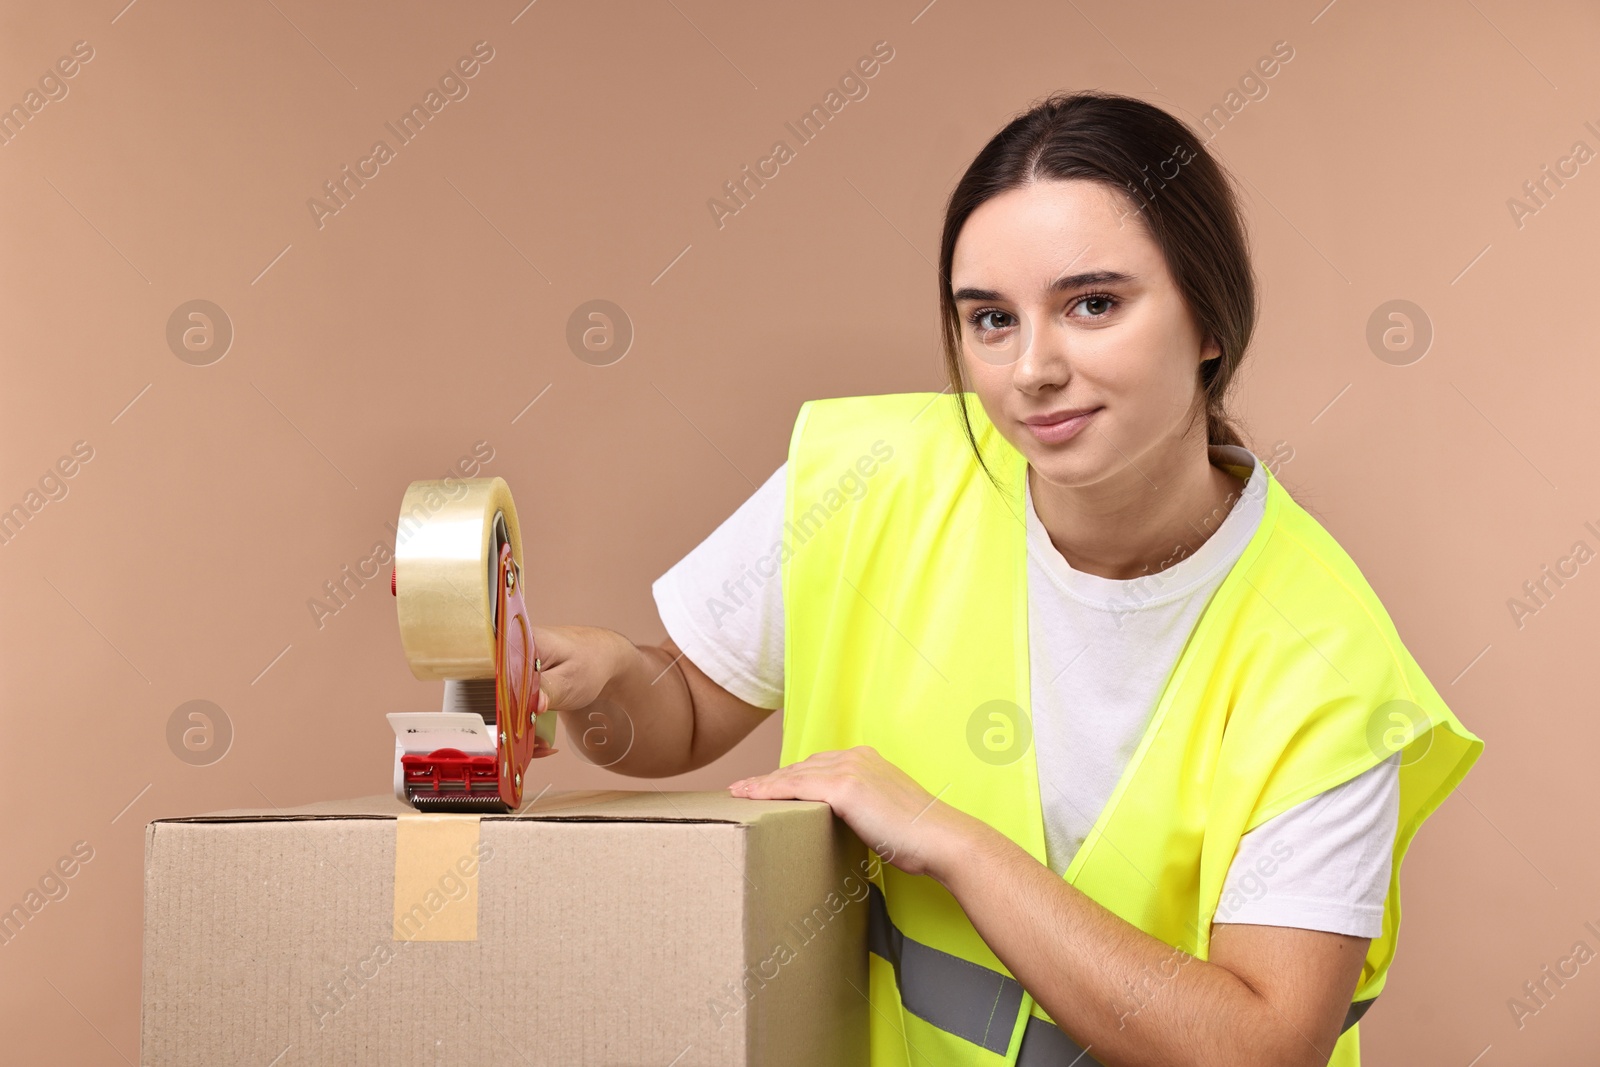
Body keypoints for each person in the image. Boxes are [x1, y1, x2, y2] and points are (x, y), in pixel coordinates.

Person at [531, 90, 1483, 1066]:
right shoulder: (864, 478)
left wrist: (955, 840)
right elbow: (684, 711)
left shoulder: (1325, 654)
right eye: (990, 319)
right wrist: (609, 683)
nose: (1031, 367)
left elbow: (1257, 1046)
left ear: (1209, 320)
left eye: (1092, 304)